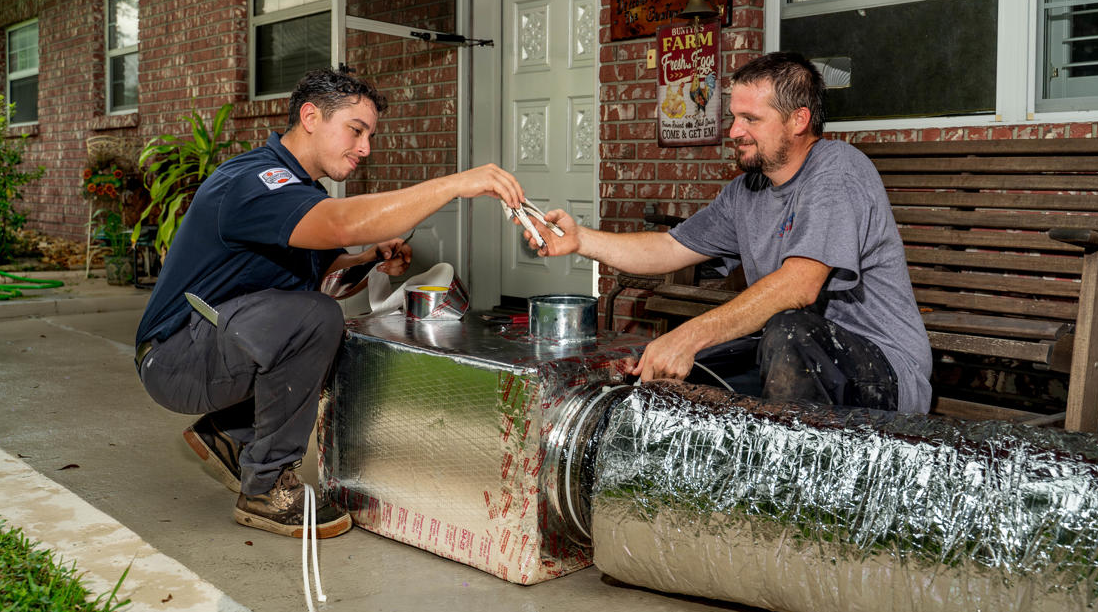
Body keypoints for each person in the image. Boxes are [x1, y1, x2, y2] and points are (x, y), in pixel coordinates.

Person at [134, 66, 525, 538]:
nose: (365, 148)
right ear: (311, 116)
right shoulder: (255, 181)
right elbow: (336, 233)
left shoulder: (302, 192)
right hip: (174, 356)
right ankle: (266, 490)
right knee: (317, 320)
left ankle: (232, 435)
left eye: (369, 136)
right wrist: (453, 185)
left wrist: (366, 260)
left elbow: (322, 284)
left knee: (319, 316)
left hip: (210, 345)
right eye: (356, 131)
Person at [524, 51, 932, 414]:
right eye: (734, 117)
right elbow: (670, 247)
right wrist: (581, 240)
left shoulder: (837, 171)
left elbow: (799, 286)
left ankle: (792, 492)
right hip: (789, 357)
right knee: (670, 371)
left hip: (884, 370)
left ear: (798, 120)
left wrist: (689, 334)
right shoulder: (747, 191)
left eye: (751, 119)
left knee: (785, 330)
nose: (735, 131)